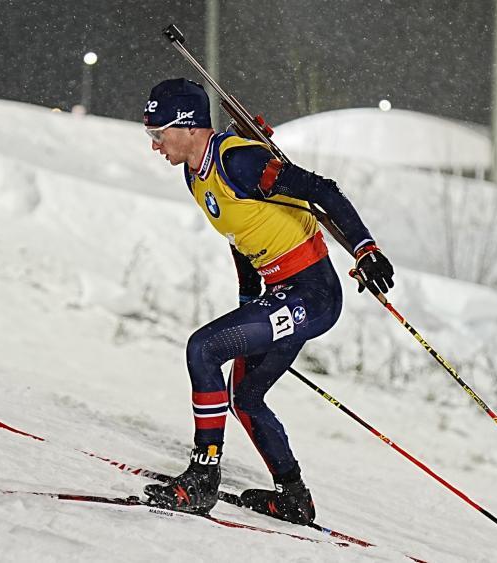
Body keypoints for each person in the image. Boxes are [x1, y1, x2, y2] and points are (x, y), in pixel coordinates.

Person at [140, 78, 394, 524]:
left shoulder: (240, 161)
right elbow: (241, 234)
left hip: (312, 295)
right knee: (247, 397)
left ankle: (203, 478)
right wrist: (246, 298)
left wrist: (365, 249)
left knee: (203, 349)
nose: (155, 145)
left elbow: (323, 190)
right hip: (279, 292)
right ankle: (294, 497)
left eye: (159, 134)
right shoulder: (195, 175)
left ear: (190, 127)